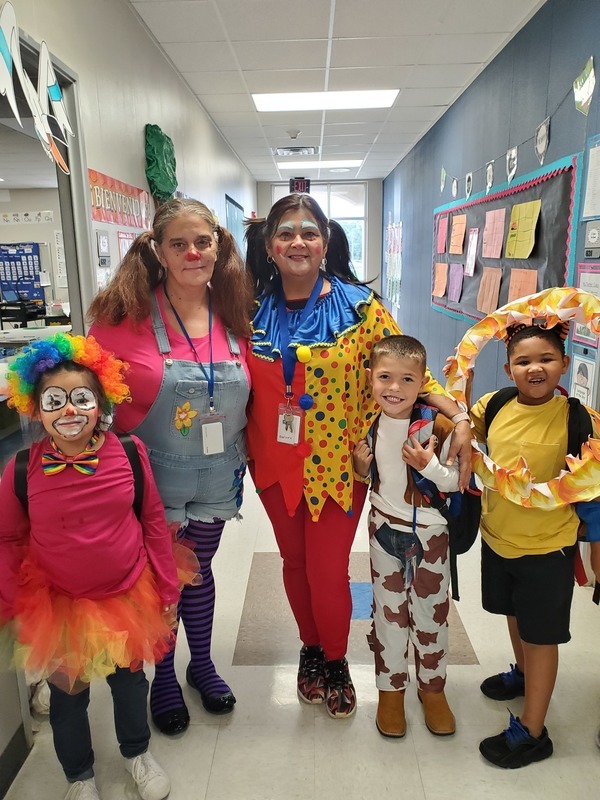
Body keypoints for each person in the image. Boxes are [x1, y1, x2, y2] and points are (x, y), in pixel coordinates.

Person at [244, 192, 472, 719]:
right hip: (273, 465)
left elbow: (409, 371)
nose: (297, 241)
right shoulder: (248, 309)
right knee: (294, 564)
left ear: (325, 242)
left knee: (326, 570)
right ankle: (309, 649)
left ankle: (336, 659)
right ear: (270, 245)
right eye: (285, 232)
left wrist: (458, 415)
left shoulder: (359, 308)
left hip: (338, 467)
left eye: (309, 231)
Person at [88, 198, 254, 736]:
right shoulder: (120, 321)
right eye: (178, 244)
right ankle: (164, 677)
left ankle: (200, 665)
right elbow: (84, 398)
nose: (192, 253)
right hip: (152, 480)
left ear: (218, 246)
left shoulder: (237, 311)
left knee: (198, 571)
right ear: (158, 251)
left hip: (219, 475)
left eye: (203, 242)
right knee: (162, 579)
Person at [0, 333, 183, 800]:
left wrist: (167, 589)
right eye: (54, 400)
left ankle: (137, 753)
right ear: (35, 408)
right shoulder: (21, 469)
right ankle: (79, 776)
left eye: (81, 398)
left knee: (129, 684)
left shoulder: (129, 452)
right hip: (59, 604)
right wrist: (12, 605)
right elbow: (8, 539)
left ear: (100, 403)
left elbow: (153, 522)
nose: (69, 411)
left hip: (126, 594)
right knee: (68, 698)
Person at [469, 321, 600, 768]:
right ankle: (524, 675)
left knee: (540, 635)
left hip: (548, 548)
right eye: (523, 361)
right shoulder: (494, 405)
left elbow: (592, 490)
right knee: (513, 613)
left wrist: (596, 550)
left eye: (546, 359)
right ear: (509, 369)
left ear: (565, 363)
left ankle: (533, 732)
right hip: (498, 537)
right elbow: (458, 425)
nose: (535, 368)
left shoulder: (579, 419)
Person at [352, 335, 459, 738]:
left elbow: (458, 482)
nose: (394, 388)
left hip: (431, 536)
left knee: (431, 615)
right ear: (370, 378)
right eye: (385, 377)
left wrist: (429, 466)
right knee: (388, 615)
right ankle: (390, 689)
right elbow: (376, 478)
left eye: (407, 379)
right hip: (384, 531)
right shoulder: (370, 422)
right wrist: (361, 469)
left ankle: (433, 689)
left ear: (422, 381)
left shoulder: (439, 426)